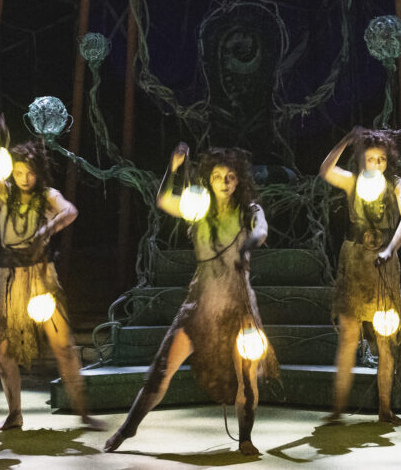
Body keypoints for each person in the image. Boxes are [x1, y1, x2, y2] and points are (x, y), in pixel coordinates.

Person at [104, 144, 278, 455]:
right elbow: (163, 200)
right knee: (162, 370)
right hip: (199, 305)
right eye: (218, 176)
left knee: (247, 379)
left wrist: (247, 246)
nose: (224, 182)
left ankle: (245, 438)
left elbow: (261, 230)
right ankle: (127, 428)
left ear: (239, 180)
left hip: (239, 306)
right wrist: (173, 168)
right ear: (208, 179)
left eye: (230, 176)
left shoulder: (249, 211)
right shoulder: (198, 208)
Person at [0, 113, 103, 432]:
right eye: (18, 172)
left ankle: (83, 411)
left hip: (42, 277)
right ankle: (14, 414)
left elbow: (70, 210)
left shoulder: (47, 196)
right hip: (9, 279)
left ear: (38, 173)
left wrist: (48, 227)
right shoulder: (4, 193)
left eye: (29, 172)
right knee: (5, 352)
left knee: (63, 346)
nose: (23, 178)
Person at [319, 127, 401, 424]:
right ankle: (338, 409)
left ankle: (385, 409)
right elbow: (326, 170)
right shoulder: (353, 181)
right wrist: (346, 141)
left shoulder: (396, 184)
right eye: (370, 159)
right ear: (361, 160)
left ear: (388, 161)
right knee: (349, 336)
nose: (376, 164)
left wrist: (390, 250)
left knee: (385, 337)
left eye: (381, 159)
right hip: (355, 263)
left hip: (383, 266)